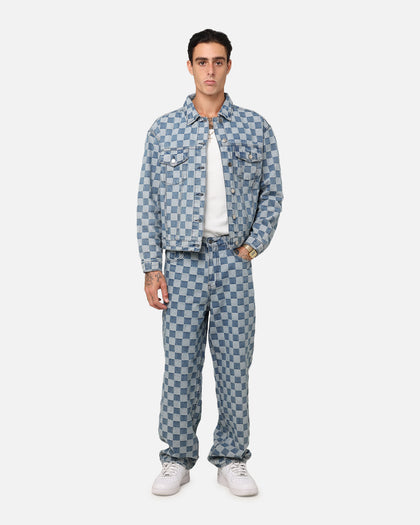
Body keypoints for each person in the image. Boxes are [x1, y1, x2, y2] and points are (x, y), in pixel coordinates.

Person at [137, 28, 283, 497]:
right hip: (181, 264)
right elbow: (148, 201)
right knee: (180, 365)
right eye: (202, 61)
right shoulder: (164, 130)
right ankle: (176, 458)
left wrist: (253, 246)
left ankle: (232, 458)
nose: (210, 70)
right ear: (189, 67)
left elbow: (272, 193)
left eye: (218, 61)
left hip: (233, 262)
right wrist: (151, 266)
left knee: (235, 364)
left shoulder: (256, 127)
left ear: (229, 66)